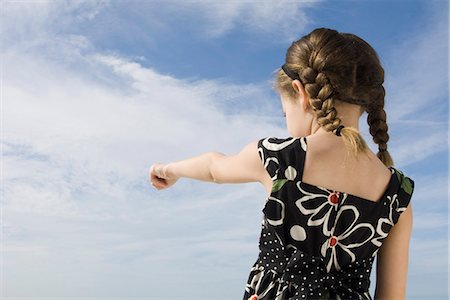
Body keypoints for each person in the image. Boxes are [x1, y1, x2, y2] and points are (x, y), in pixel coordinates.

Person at [149, 27, 415, 300]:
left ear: (301, 93)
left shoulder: (279, 159)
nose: (286, 118)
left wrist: (168, 170)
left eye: (284, 111)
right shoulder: (397, 194)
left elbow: (213, 167)